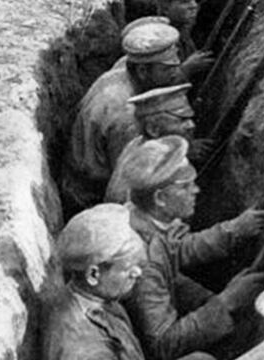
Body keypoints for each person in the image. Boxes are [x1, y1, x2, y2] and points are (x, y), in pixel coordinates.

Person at [117, 135, 264, 360]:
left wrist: (234, 230)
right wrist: (225, 302)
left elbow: (178, 251)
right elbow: (163, 346)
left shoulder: (139, 215)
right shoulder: (143, 262)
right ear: (160, 198)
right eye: (186, 186)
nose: (196, 190)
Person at [41, 203, 218, 360]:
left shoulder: (94, 297)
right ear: (93, 274)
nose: (138, 273)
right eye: (128, 268)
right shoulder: (90, 358)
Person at [61, 19, 186, 219]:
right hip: (88, 201)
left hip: (82, 175)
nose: (176, 72)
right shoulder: (127, 118)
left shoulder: (123, 70)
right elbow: (126, 186)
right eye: (167, 69)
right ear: (143, 71)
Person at [105, 83, 212, 204]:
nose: (191, 125)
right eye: (182, 120)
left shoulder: (139, 144)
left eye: (190, 119)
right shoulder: (147, 165)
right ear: (153, 130)